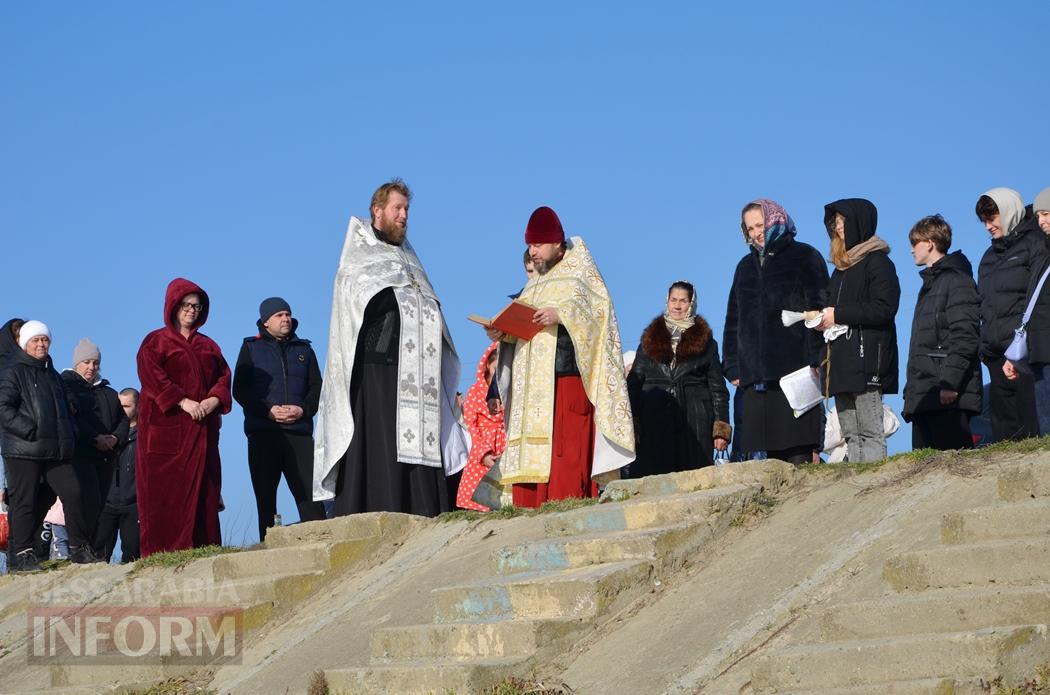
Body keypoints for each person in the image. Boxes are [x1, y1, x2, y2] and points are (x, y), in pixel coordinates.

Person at [314, 179, 467, 517]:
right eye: (397, 208)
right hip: (375, 373)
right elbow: (353, 314)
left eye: (407, 210)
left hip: (417, 373)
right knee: (379, 445)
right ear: (377, 211)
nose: (403, 215)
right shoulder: (357, 262)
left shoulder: (411, 261)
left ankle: (424, 507)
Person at [487, 206, 634, 506]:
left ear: (556, 242)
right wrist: (504, 333)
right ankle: (530, 504)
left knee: (566, 450)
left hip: (567, 377)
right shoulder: (537, 280)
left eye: (538, 245)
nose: (533, 252)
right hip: (533, 389)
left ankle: (567, 501)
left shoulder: (581, 273)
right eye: (529, 245)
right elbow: (527, 321)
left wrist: (562, 314)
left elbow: (600, 317)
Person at [723, 199, 828, 465]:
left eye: (760, 224)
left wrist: (818, 357)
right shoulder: (743, 267)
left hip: (795, 368)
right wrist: (733, 365)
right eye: (749, 228)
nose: (756, 232)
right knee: (762, 459)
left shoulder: (805, 255)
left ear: (774, 221)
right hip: (755, 377)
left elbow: (818, 309)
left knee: (798, 451)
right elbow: (734, 318)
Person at [136, 279, 231, 556]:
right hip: (165, 433)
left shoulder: (209, 346)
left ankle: (205, 547)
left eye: (197, 306)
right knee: (165, 495)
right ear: (174, 306)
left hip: (202, 432)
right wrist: (184, 401)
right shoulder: (155, 342)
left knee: (205, 491)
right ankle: (163, 551)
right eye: (187, 305)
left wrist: (213, 400)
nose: (192, 310)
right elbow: (152, 378)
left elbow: (224, 378)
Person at [0, 321, 98, 570]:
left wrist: (71, 432)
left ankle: (78, 548)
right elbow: (3, 407)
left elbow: (65, 409)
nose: (41, 344)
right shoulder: (12, 370)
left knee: (74, 493)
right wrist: (29, 429)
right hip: (24, 449)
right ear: (25, 343)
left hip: (56, 450)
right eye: (36, 340)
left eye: (45, 340)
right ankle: (21, 555)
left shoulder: (52, 374)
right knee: (25, 502)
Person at [233, 297, 326, 542]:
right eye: (279, 315)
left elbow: (318, 389)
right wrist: (268, 411)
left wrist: (303, 410)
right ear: (266, 322)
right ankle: (268, 547)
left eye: (288, 314)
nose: (285, 319)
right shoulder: (251, 348)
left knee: (310, 495)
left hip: (300, 435)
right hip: (263, 434)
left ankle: (320, 541)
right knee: (265, 497)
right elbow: (240, 390)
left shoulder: (305, 349)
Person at [818, 198, 901, 463]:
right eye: (836, 223)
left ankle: (875, 485)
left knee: (870, 431)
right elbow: (831, 309)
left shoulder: (878, 262)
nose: (839, 228)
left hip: (868, 359)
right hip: (841, 360)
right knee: (850, 433)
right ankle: (856, 485)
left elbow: (884, 308)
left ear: (859, 223)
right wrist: (820, 318)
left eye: (844, 222)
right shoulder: (840, 269)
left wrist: (838, 314)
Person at [628, 281, 731, 475]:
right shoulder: (649, 340)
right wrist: (632, 422)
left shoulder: (708, 344)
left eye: (683, 301)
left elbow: (718, 389)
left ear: (692, 303)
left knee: (695, 478)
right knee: (654, 477)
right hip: (654, 417)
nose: (677, 306)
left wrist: (721, 430)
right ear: (666, 301)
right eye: (673, 300)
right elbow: (634, 383)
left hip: (696, 418)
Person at [901, 215, 982, 449]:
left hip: (947, 396)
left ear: (929, 243)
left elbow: (965, 335)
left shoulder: (957, 281)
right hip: (925, 396)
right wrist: (912, 393)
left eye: (914, 243)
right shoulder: (930, 285)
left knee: (955, 471)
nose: (911, 250)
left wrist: (950, 383)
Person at [974, 188, 1047, 441]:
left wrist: (1023, 341)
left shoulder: (1034, 244)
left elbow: (1035, 294)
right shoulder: (988, 257)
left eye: (992, 218)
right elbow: (983, 302)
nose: (988, 226)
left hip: (1022, 351)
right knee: (1004, 436)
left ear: (1008, 212)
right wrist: (984, 344)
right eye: (984, 220)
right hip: (995, 353)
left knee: (1032, 428)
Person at [62, 338, 128, 538]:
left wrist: (115, 438)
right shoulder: (66, 387)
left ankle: (92, 548)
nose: (91, 367)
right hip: (81, 455)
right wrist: (94, 438)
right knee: (83, 501)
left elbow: (123, 420)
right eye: (86, 362)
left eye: (95, 363)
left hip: (106, 457)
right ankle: (79, 546)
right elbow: (71, 417)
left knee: (99, 504)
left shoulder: (109, 392)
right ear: (77, 363)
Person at [1003, 187, 1050, 434]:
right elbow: (1033, 305)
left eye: (1046, 214)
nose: (1041, 221)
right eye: (1039, 215)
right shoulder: (1042, 255)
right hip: (1041, 348)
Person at [456, 344, 506, 511]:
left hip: (506, 445)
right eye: (495, 368)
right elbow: (470, 425)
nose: (498, 373)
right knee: (478, 498)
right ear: (487, 366)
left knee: (504, 496)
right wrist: (483, 454)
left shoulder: (511, 391)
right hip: (482, 447)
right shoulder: (475, 391)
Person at [95, 388, 141, 562]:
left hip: (133, 503)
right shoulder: (106, 434)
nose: (122, 410)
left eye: (127, 406)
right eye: (119, 406)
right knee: (98, 558)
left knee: (132, 557)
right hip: (107, 502)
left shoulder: (146, 435)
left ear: (138, 407)